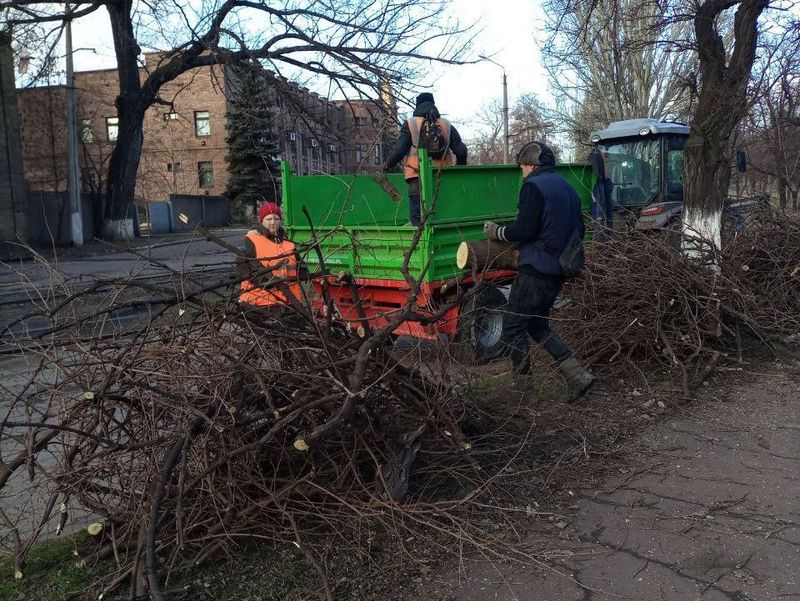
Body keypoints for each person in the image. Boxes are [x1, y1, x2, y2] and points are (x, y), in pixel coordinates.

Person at [483, 141, 595, 401]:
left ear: (531, 165)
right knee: (537, 325)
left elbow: (525, 229)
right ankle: (578, 377)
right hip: (559, 270)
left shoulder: (533, 186)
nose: (521, 172)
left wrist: (496, 231)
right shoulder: (568, 188)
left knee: (512, 327)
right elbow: (580, 231)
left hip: (536, 270)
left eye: (522, 167)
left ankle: (525, 394)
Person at [383, 92, 468, 226]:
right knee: (442, 217)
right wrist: (460, 168)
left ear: (417, 106)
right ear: (433, 104)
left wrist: (387, 165)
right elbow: (461, 150)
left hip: (417, 179)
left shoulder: (411, 124)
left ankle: (421, 244)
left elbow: (399, 149)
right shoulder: (446, 125)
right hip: (443, 180)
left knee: (419, 223)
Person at [239, 202, 303, 308]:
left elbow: (301, 270)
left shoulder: (290, 245)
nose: (273, 223)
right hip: (259, 304)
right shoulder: (252, 240)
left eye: (276, 219)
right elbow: (242, 269)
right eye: (269, 219)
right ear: (262, 221)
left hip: (290, 304)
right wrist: (270, 282)